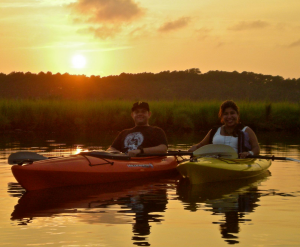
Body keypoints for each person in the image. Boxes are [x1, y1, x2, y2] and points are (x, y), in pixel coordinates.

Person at [188, 100, 260, 158]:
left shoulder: (246, 130)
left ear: (237, 115)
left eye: (232, 113)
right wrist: (194, 148)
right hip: (215, 162)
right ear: (222, 116)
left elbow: (256, 148)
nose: (229, 117)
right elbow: (201, 145)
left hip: (238, 163)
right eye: (226, 114)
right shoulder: (214, 131)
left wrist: (249, 153)